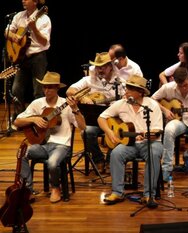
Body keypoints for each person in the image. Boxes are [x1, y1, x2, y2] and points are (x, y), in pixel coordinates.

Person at [13, 71, 86, 203]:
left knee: (52, 163)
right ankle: (28, 190)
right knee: (22, 154)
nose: (46, 90)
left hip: (62, 145)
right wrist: (34, 119)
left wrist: (75, 109)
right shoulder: (37, 103)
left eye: (50, 87)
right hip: (42, 144)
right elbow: (17, 122)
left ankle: (55, 188)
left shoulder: (66, 105)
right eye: (44, 87)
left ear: (57, 88)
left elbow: (82, 127)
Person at [97, 75, 163, 205]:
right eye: (126, 88)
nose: (126, 92)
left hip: (150, 143)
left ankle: (149, 195)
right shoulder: (121, 104)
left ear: (140, 92)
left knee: (154, 153)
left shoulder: (152, 105)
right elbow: (101, 118)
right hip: (129, 144)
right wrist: (109, 132)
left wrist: (149, 134)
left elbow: (157, 130)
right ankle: (117, 192)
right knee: (116, 153)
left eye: (130, 89)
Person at [152, 67, 188, 181]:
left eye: (185, 85)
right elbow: (152, 99)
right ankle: (166, 169)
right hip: (177, 120)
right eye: (180, 86)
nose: (183, 88)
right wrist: (165, 110)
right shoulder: (168, 87)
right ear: (174, 81)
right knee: (168, 131)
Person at [66, 52, 120, 172]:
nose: (100, 70)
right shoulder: (88, 80)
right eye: (98, 67)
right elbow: (70, 91)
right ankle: (98, 160)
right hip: (93, 120)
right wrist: (82, 97)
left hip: (112, 120)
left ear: (110, 66)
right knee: (87, 132)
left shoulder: (119, 82)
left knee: (118, 132)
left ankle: (111, 160)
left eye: (103, 67)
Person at [4, 0, 51, 120]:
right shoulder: (18, 16)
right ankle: (20, 116)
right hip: (21, 57)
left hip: (38, 56)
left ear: (35, 2)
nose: (23, 0)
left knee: (38, 91)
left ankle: (37, 119)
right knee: (16, 90)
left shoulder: (44, 19)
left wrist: (34, 28)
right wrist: (14, 37)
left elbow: (44, 42)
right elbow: (7, 31)